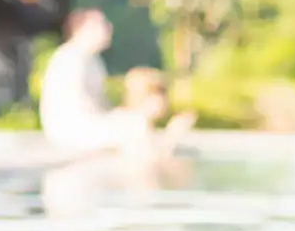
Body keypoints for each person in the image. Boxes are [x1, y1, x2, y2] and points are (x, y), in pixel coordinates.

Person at [39, 9, 195, 160]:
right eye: (101, 24)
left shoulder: (91, 60)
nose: (108, 28)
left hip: (83, 125)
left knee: (132, 121)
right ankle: (161, 150)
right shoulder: (71, 59)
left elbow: (98, 104)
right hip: (70, 131)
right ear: (82, 29)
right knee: (135, 123)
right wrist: (122, 117)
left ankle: (159, 148)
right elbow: (77, 108)